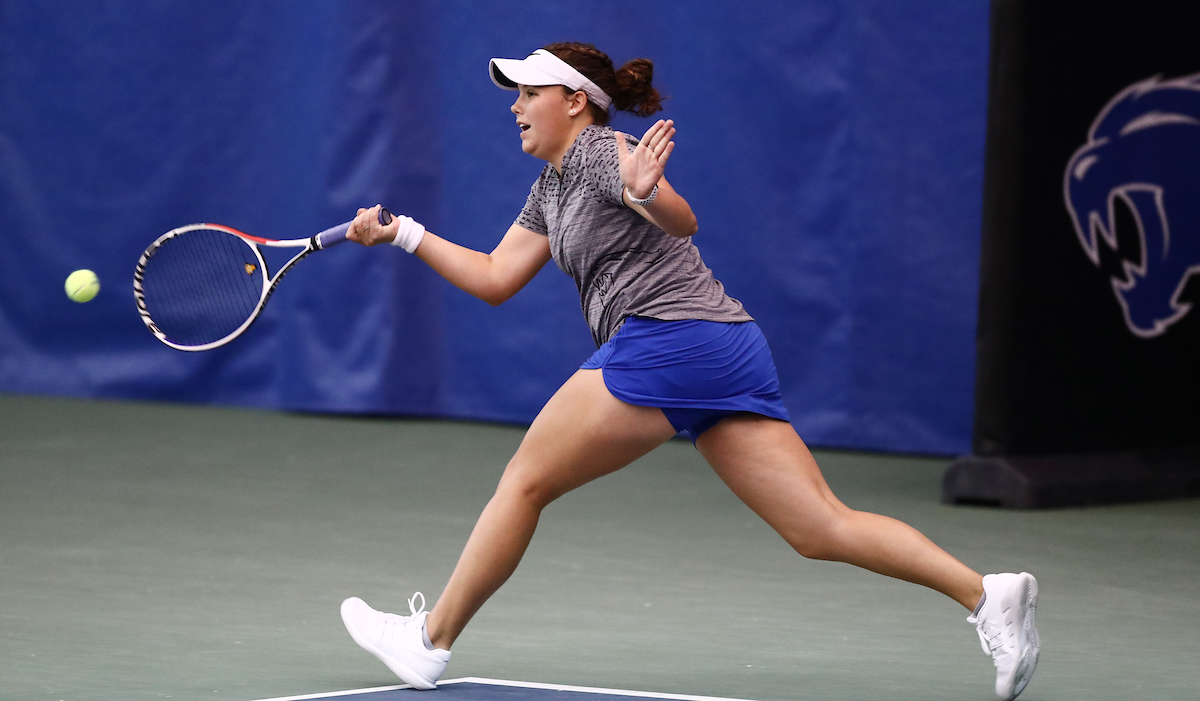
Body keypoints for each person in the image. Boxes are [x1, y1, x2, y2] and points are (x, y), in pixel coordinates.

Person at [338, 42, 1040, 701]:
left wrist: (647, 191)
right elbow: (496, 276)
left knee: (523, 482)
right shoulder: (550, 190)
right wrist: (404, 233)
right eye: (514, 95)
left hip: (667, 339)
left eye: (529, 92)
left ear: (575, 101)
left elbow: (682, 219)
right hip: (724, 345)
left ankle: (430, 641)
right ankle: (986, 594)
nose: (515, 106)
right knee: (819, 527)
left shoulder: (598, 151)